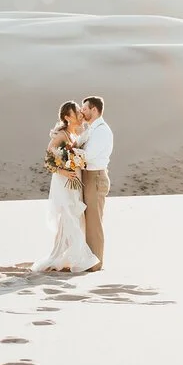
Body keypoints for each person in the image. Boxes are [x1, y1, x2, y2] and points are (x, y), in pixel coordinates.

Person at [31, 101, 97, 274]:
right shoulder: (61, 135)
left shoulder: (74, 134)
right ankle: (81, 257)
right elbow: (48, 160)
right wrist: (65, 172)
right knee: (69, 215)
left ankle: (62, 256)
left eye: (79, 111)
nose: (80, 114)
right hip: (64, 181)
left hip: (73, 180)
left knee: (72, 215)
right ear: (67, 117)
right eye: (76, 112)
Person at [79, 95, 113, 272]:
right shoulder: (91, 129)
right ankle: (88, 259)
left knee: (94, 221)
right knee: (87, 220)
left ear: (94, 109)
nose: (82, 112)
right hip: (88, 176)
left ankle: (96, 263)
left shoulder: (101, 130)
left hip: (96, 177)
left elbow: (89, 154)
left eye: (84, 108)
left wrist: (69, 155)